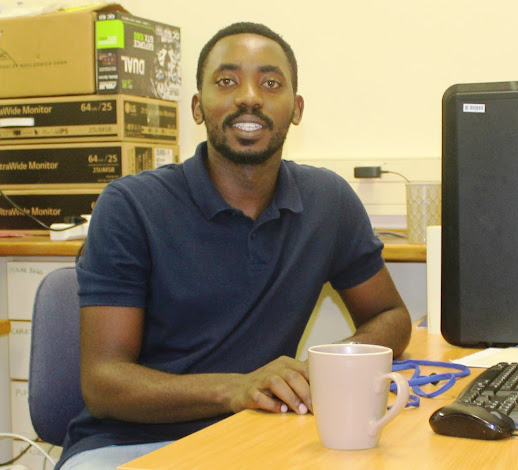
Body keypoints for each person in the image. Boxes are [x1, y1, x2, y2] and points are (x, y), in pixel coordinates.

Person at [57, 22, 412, 470]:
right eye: (227, 81)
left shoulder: (329, 201)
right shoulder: (131, 206)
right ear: (198, 107)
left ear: (296, 109)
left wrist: (324, 372)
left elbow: (390, 317)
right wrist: (239, 388)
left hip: (261, 436)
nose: (249, 96)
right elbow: (103, 383)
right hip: (130, 445)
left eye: (270, 83)